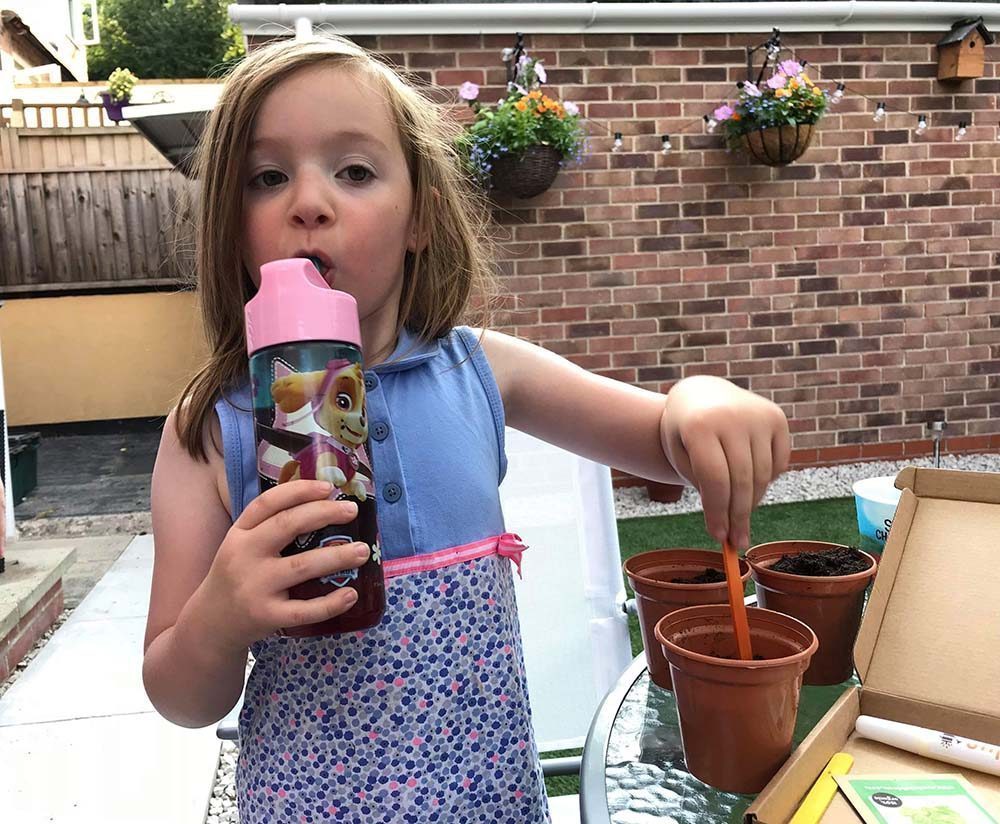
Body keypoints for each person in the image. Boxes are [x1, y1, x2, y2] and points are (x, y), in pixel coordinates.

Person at [143, 36, 790, 824]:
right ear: (233, 231)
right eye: (266, 177)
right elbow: (178, 695)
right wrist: (223, 612)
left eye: (354, 170)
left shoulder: (483, 371)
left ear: (419, 218)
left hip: (490, 801)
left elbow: (662, 438)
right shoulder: (208, 433)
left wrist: (701, 398)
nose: (308, 201)